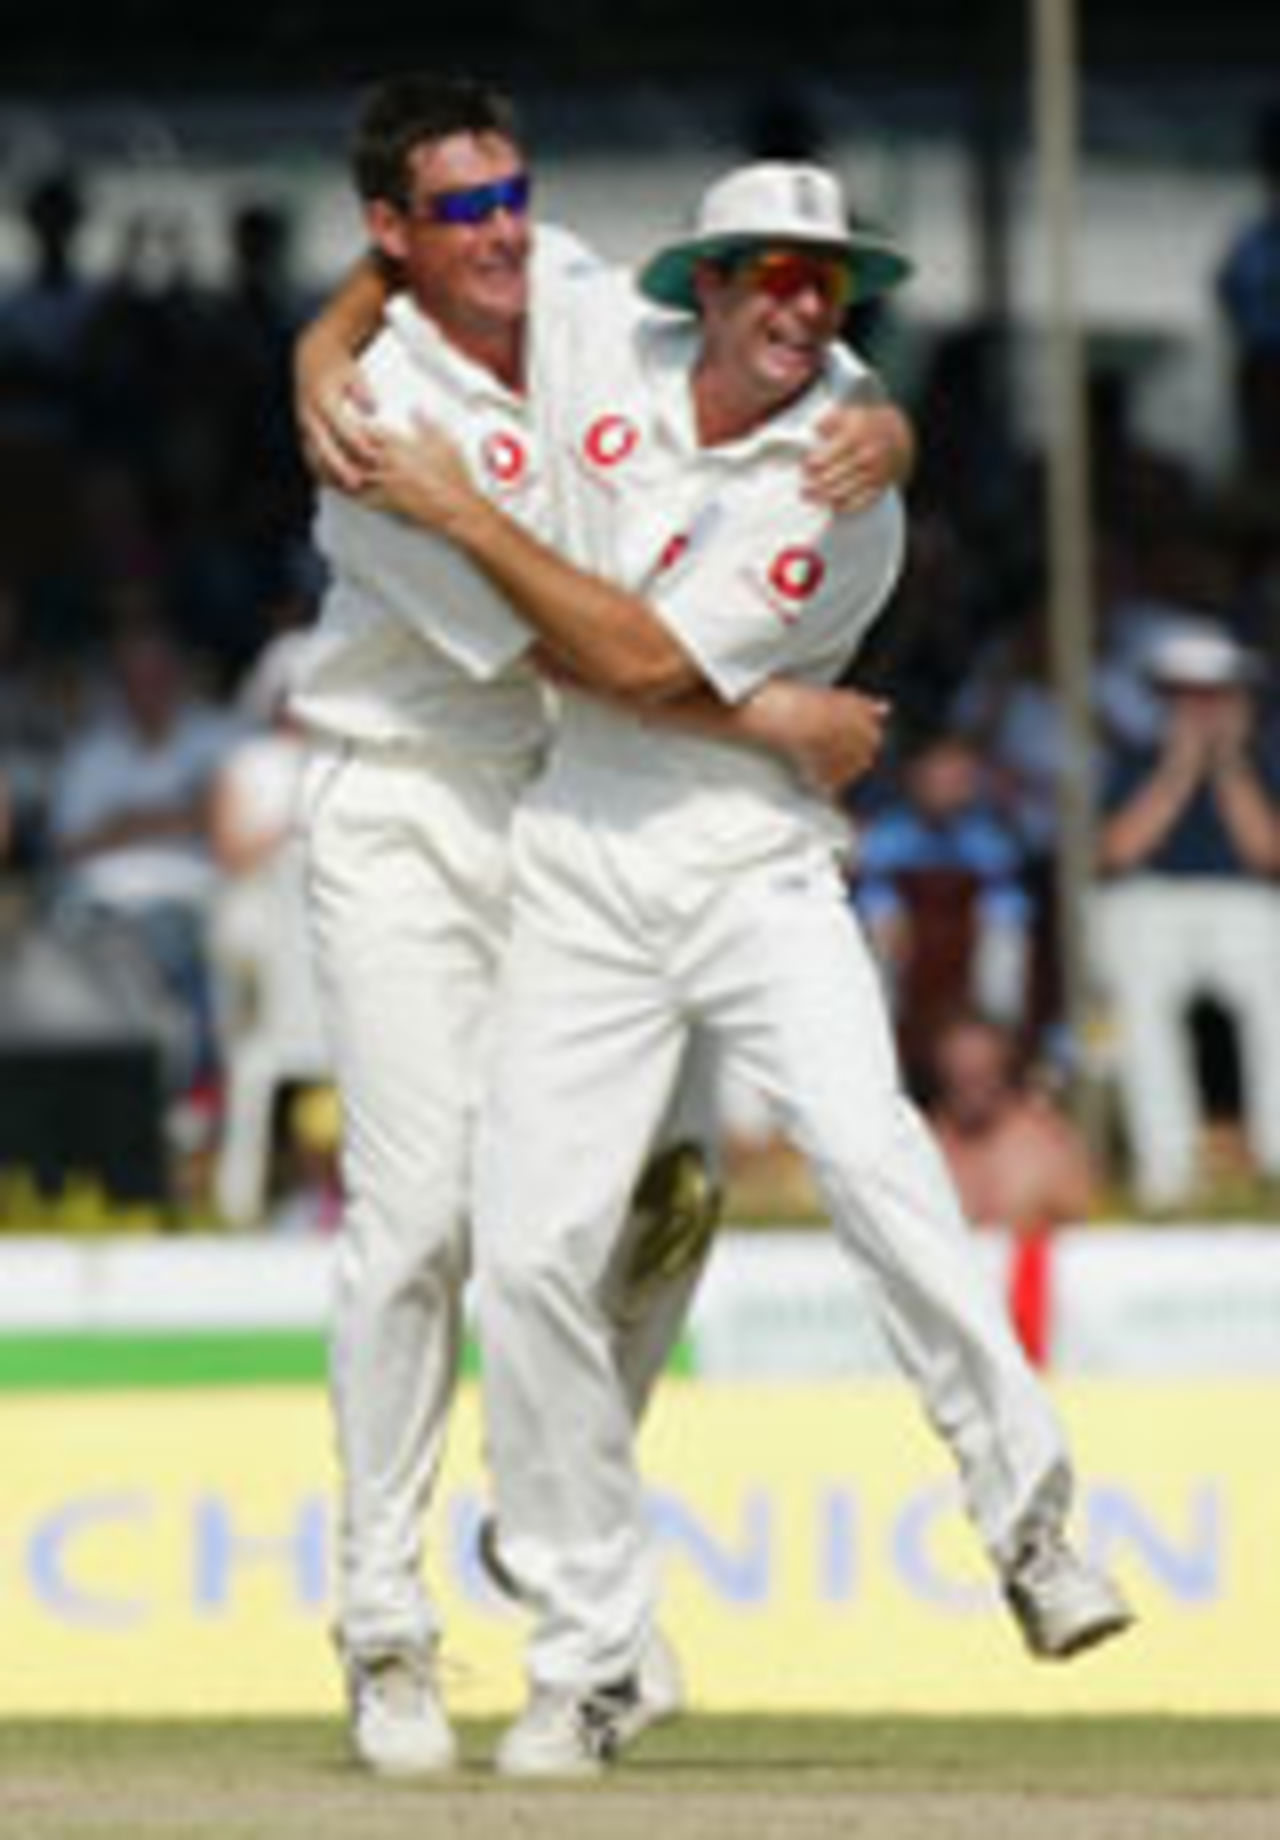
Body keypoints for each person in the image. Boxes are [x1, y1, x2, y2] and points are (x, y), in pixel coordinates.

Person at [364, 156, 1133, 1778]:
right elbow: (416, 276)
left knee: (873, 1159)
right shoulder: (593, 341)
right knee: (533, 1261)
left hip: (752, 866)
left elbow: (632, 657)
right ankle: (593, 1660)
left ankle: (1035, 1526)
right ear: (702, 285)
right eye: (769, 274)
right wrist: (346, 365)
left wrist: (460, 513)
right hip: (578, 859)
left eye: (825, 282)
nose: (799, 304)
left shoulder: (853, 473)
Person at [288, 74, 911, 1779]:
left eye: (513, 200)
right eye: (459, 214)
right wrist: (777, 722)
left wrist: (889, 426)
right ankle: (384, 1626)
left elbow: (782, 346)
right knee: (420, 1225)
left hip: (590, 806)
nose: (501, 236)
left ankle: (544, 1512)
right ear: (394, 236)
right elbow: (584, 652)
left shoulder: (564, 279)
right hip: (417, 799)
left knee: (666, 1201)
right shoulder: (370, 432)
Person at [1093, 622, 1280, 1210]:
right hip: (1149, 900)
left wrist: (1226, 765)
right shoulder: (1129, 758)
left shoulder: (1263, 760)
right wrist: (1178, 767)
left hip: (1240, 900)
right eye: (1188, 694)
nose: (1201, 707)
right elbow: (1119, 849)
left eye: (1214, 694)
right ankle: (1166, 1173)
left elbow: (1266, 853)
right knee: (1143, 1001)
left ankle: (1275, 1160)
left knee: (1274, 991)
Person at [924, 1008, 1098, 1233]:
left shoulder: (1048, 1143)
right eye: (960, 1076)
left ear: (1003, 1068)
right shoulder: (922, 1146)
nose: (971, 1088)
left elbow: (1086, 1237)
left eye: (981, 1074)